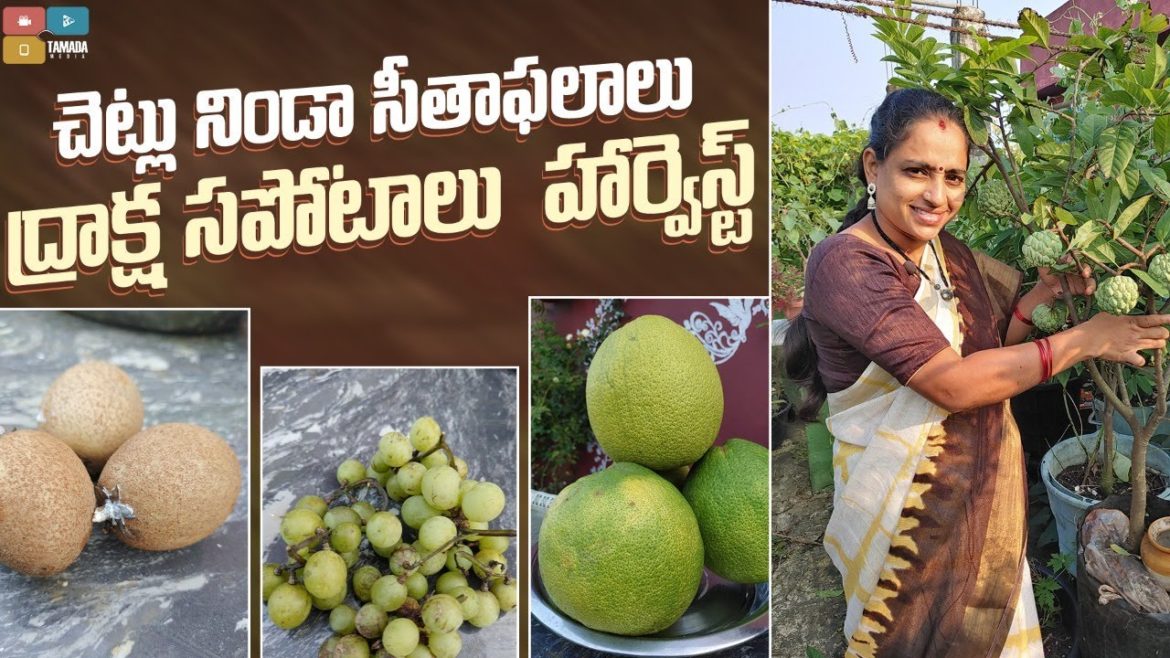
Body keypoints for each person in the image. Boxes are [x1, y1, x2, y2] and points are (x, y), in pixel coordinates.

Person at [784, 87, 1170, 658]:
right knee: (907, 634)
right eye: (917, 171)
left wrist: (1039, 296)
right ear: (873, 165)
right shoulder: (846, 263)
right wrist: (1085, 339)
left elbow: (988, 352)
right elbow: (954, 384)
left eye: (954, 177)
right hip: (901, 510)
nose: (937, 195)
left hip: (978, 495)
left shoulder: (951, 253)